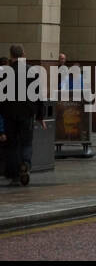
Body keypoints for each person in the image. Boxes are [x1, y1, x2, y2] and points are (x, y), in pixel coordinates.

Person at [1, 45, 45, 185]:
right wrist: (40, 116)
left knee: (12, 145)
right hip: (27, 113)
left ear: (10, 55)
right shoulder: (32, 71)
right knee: (26, 142)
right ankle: (25, 163)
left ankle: (14, 175)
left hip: (9, 114)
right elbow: (39, 96)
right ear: (24, 54)